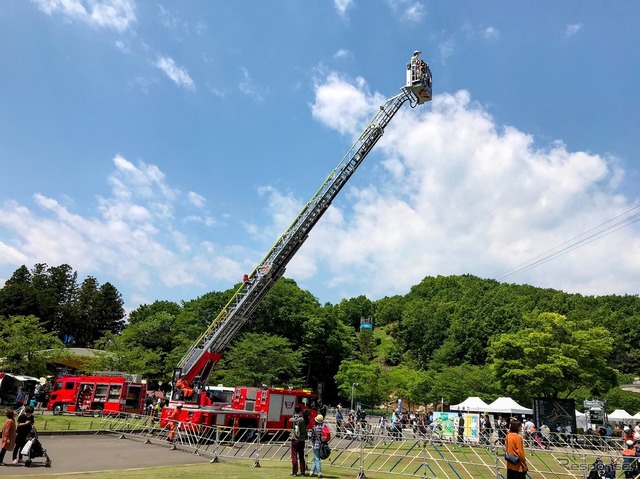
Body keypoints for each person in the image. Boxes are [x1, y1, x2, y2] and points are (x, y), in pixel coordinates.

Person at [289, 405, 307, 477]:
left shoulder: (295, 419)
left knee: (294, 456)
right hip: (302, 439)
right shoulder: (304, 420)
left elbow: (290, 420)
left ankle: (295, 471)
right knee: (301, 456)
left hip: (295, 439)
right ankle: (302, 471)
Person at [308, 414, 324, 478]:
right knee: (316, 458)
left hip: (315, 444)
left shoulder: (314, 428)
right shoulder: (323, 427)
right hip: (322, 445)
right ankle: (311, 472)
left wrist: (313, 442)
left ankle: (319, 473)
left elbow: (312, 437)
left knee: (317, 459)